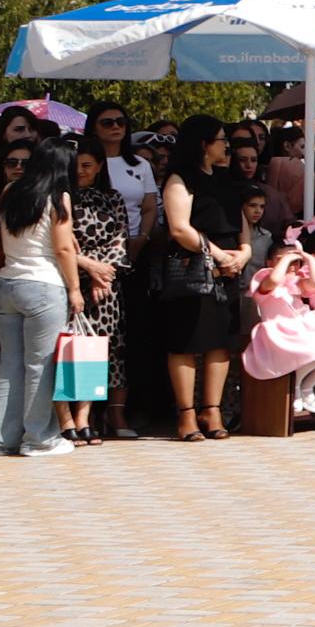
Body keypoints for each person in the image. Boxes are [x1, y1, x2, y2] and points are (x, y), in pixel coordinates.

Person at [153, 116, 258, 443]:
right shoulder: (180, 178)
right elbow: (179, 227)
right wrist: (217, 253)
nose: (225, 144)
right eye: (220, 139)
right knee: (186, 341)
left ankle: (211, 409)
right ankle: (185, 413)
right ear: (203, 143)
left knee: (221, 342)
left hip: (227, 266)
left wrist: (243, 250)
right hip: (193, 266)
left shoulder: (227, 177)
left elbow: (239, 218)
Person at [0, 136, 79, 458]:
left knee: (8, 365)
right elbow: (63, 248)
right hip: (43, 285)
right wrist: (75, 289)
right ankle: (39, 439)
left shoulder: (10, 191)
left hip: (7, 282)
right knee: (40, 365)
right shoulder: (57, 197)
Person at [59, 141, 134, 441]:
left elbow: (120, 238)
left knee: (100, 350)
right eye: (76, 165)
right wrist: (86, 270)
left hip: (106, 285)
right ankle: (65, 417)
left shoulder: (111, 197)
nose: (81, 171)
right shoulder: (61, 198)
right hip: (69, 279)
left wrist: (102, 274)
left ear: (100, 166)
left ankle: (87, 416)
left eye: (88, 165)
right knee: (67, 350)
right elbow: (59, 245)